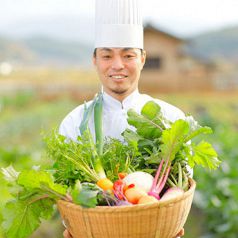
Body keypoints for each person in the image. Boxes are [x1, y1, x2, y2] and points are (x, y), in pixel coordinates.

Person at [60, 0, 185, 237]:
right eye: (107, 56)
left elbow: (182, 184)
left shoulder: (170, 117)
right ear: (94, 59)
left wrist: (173, 216)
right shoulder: (74, 122)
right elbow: (67, 194)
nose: (118, 65)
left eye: (128, 55)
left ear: (143, 58)